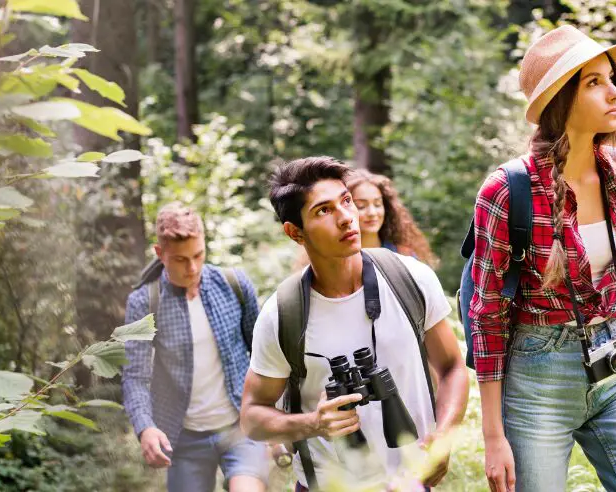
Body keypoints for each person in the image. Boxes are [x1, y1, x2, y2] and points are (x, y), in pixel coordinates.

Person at [471, 25, 616, 491]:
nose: (614, 92)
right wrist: (492, 435)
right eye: (593, 82)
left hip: (614, 368)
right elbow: (487, 314)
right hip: (537, 379)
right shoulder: (507, 190)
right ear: (561, 98)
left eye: (612, 78)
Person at [239, 157, 469, 490]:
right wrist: (314, 423)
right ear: (294, 232)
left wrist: (443, 437)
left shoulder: (411, 278)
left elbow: (452, 368)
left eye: (346, 201)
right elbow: (252, 416)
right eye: (323, 210)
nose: (347, 218)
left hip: (410, 482)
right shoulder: (282, 315)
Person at [122, 202, 271, 491]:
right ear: (160, 254)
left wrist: (277, 417)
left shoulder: (234, 284)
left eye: (198, 255)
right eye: (180, 260)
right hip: (185, 437)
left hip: (241, 426)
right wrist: (145, 428)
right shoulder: (144, 302)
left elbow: (264, 357)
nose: (192, 268)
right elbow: (135, 377)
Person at [346, 169, 439, 267]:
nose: (372, 213)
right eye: (361, 206)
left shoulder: (404, 255)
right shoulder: (338, 258)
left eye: (377, 204)